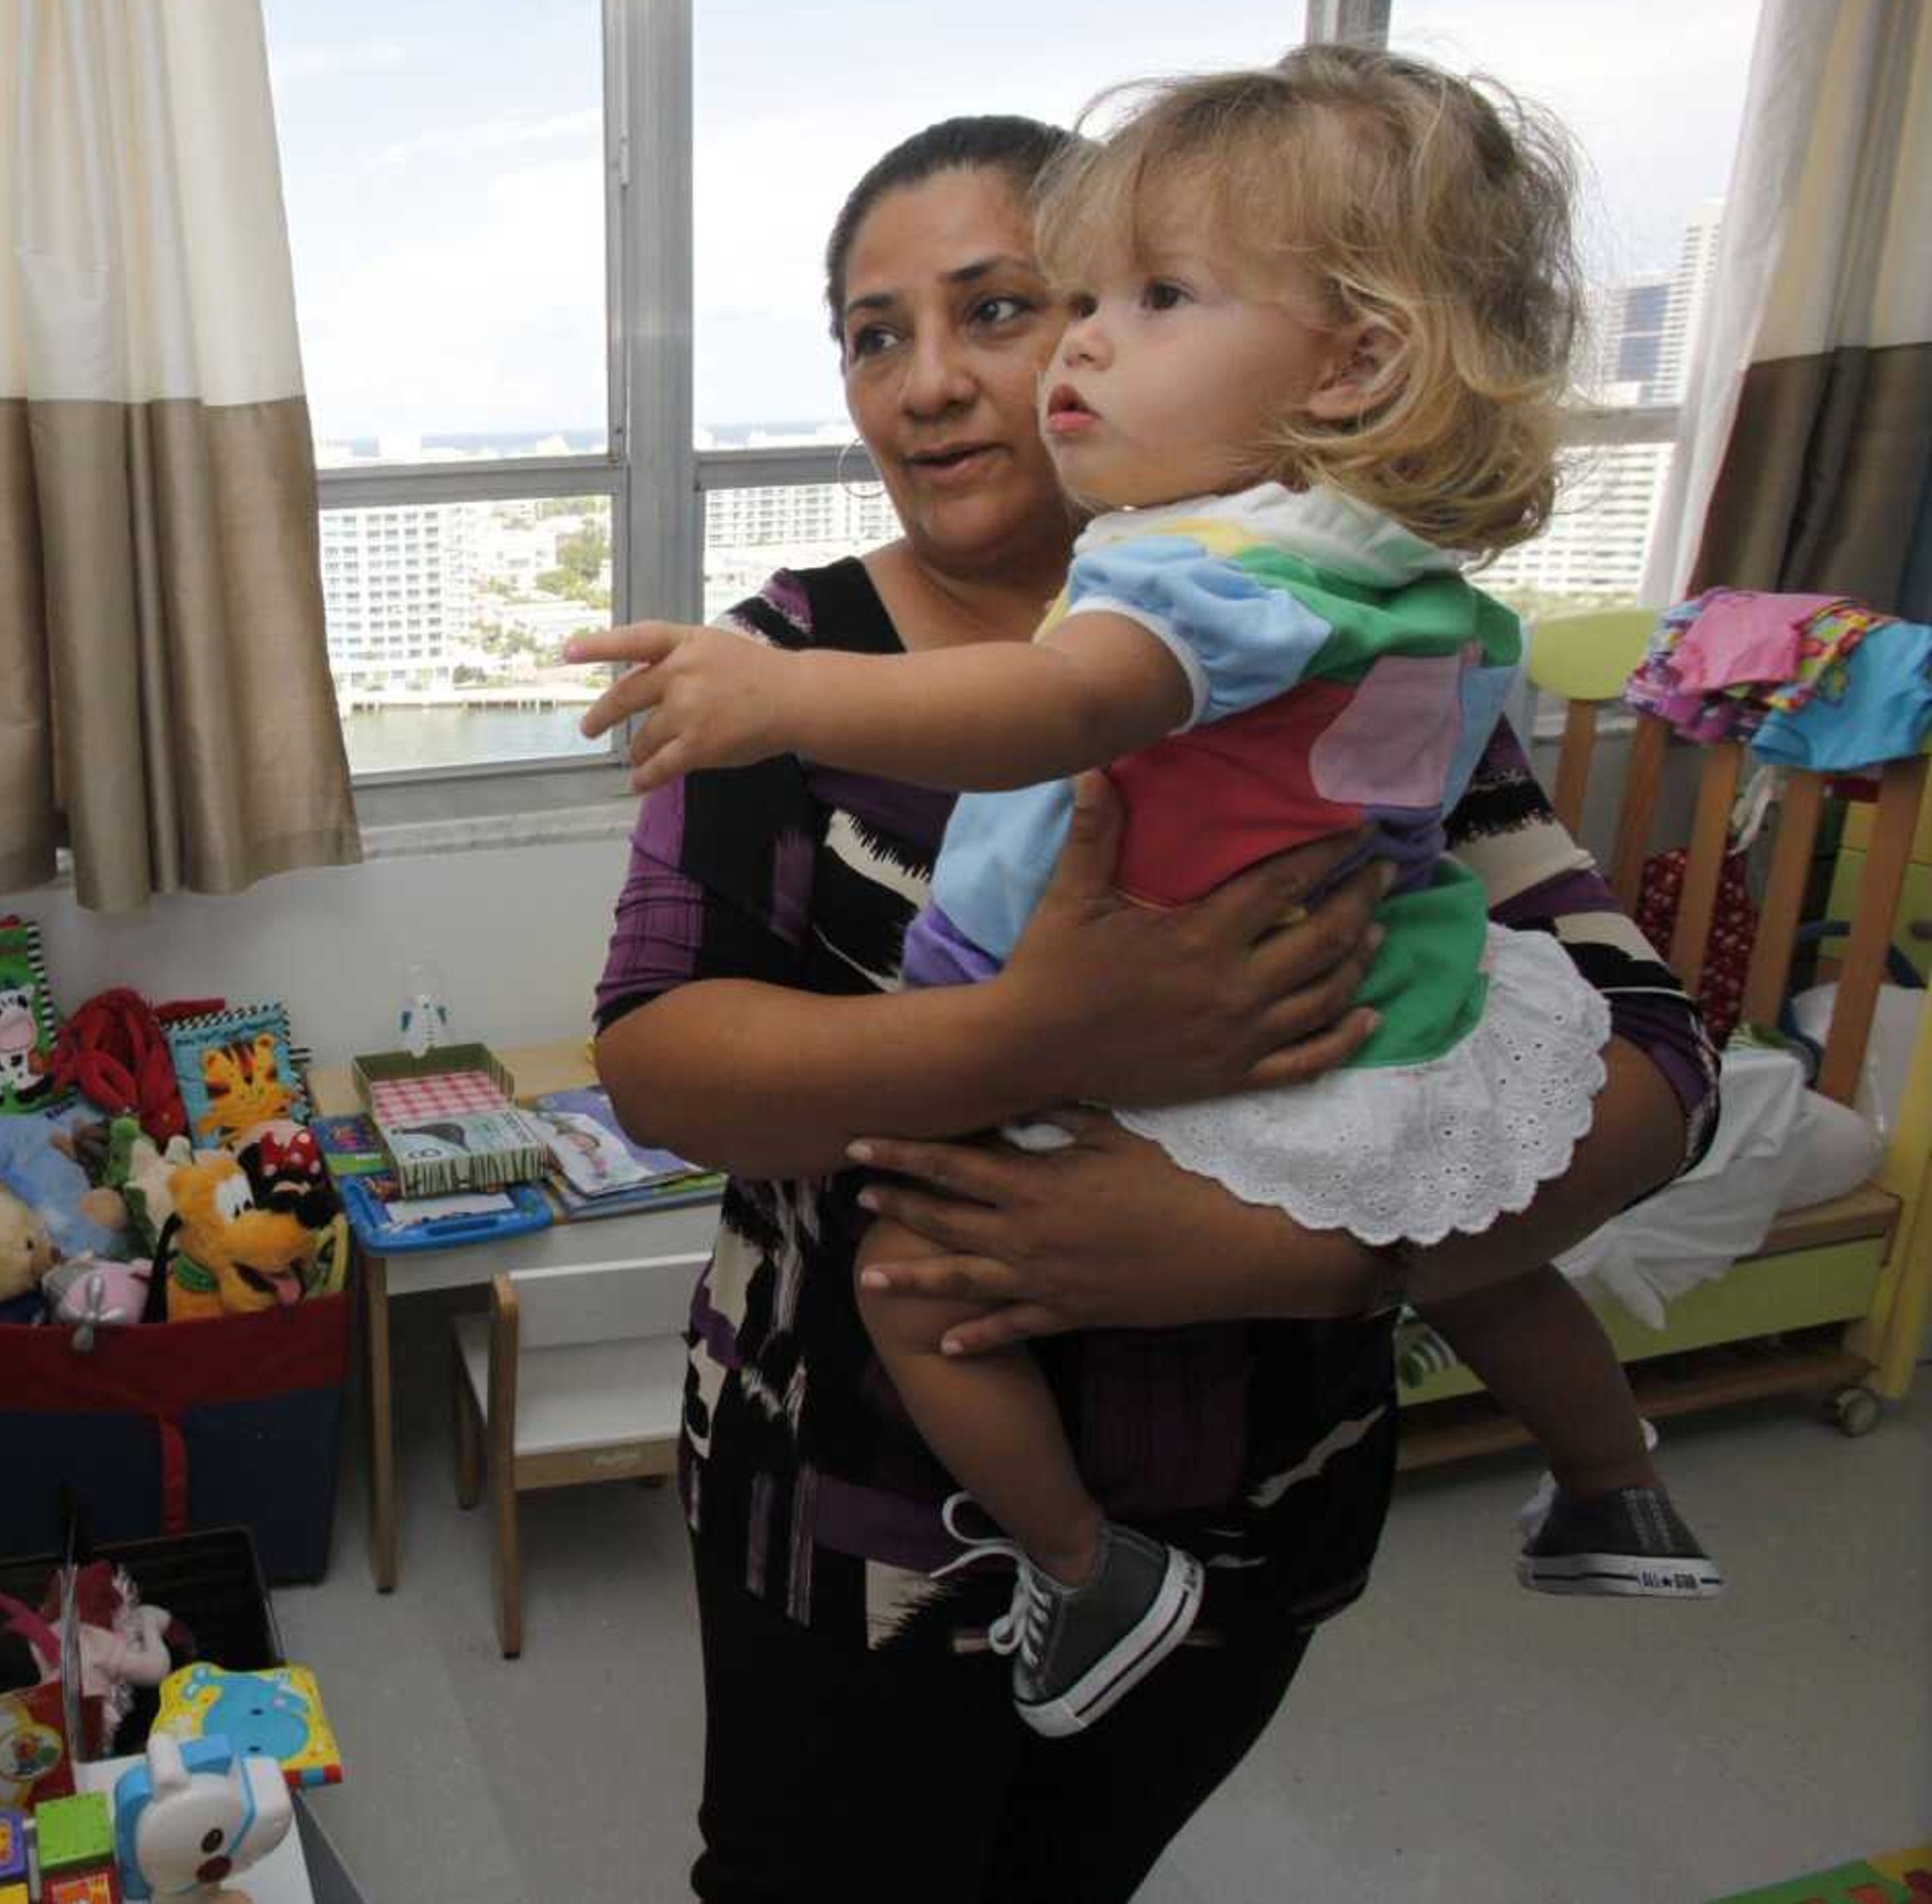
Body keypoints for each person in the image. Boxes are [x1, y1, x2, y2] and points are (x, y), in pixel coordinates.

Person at [580, 109, 1719, 1901]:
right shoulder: (789, 665)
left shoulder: (1339, 626)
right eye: (876, 336)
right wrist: (1046, 1040)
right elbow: (659, 1065)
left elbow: (1654, 1063)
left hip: (1263, 1502)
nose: (934, 387)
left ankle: (1600, 1487)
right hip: (854, 1518)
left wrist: (1285, 1253)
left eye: (1005, 308)